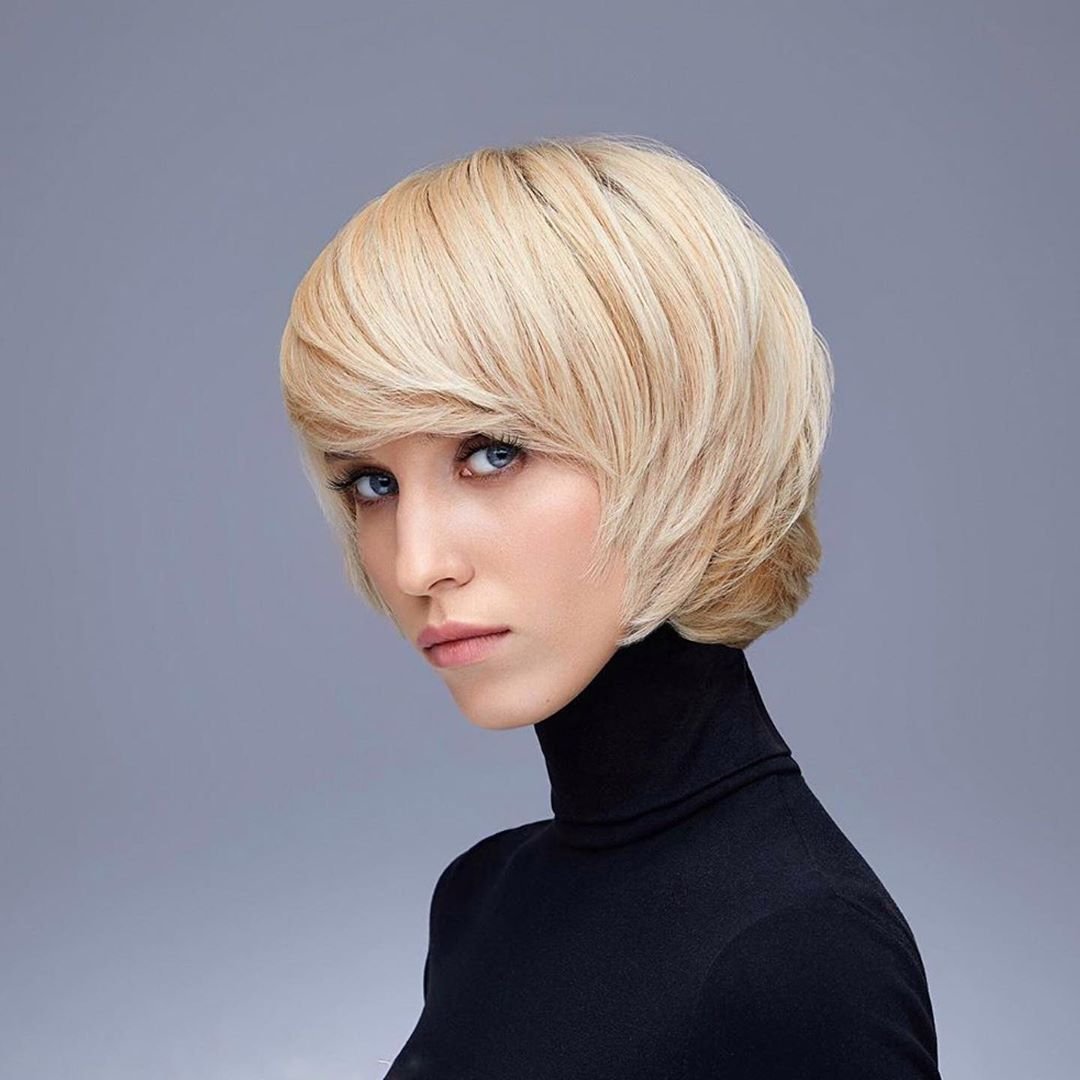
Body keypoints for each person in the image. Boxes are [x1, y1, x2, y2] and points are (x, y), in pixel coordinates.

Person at [278, 134, 942, 1078]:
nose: (418, 563)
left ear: (688, 448)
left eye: (493, 453)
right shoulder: (482, 898)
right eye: (372, 483)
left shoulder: (799, 953)